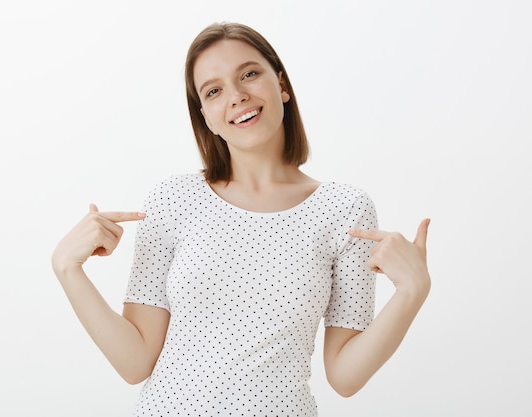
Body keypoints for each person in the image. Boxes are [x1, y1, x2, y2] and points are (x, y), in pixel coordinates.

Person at [51, 21, 431, 416]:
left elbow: (345, 376)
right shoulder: (174, 200)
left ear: (281, 85)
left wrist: (411, 292)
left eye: (249, 74)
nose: (237, 96)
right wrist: (68, 269)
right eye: (214, 91)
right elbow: (134, 363)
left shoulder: (344, 209)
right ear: (207, 118)